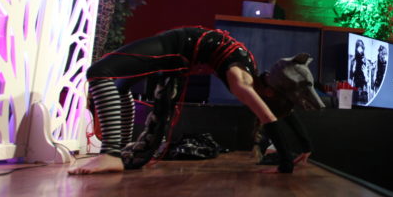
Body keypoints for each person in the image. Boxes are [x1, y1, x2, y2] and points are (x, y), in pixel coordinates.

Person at [69, 26, 324, 175]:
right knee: (121, 85)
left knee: (99, 72)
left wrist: (287, 163)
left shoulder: (242, 79)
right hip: (180, 53)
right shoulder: (247, 77)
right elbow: (277, 112)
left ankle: (111, 153)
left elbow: (270, 116)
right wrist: (304, 147)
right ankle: (119, 151)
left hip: (176, 47)